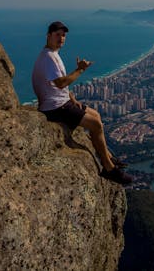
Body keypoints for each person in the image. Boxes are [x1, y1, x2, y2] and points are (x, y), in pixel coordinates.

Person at [32, 20, 133, 185]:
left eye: (63, 35)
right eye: (57, 35)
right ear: (48, 36)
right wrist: (80, 69)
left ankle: (108, 156)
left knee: (97, 115)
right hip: (55, 108)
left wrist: (72, 99)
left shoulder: (52, 54)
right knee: (95, 125)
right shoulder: (48, 57)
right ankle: (109, 169)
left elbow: (56, 85)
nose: (61, 38)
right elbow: (61, 83)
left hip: (62, 102)